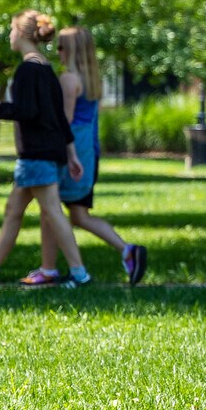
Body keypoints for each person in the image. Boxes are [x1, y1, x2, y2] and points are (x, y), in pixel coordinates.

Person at [0, 10, 90, 287]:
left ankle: (80, 274)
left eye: (11, 30)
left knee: (52, 211)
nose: (9, 36)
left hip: (36, 155)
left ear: (20, 33)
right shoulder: (46, 69)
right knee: (13, 210)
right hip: (47, 153)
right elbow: (58, 117)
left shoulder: (27, 70)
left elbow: (26, 112)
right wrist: (71, 153)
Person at [28, 26, 148, 287]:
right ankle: (128, 251)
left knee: (50, 209)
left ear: (72, 51)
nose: (57, 51)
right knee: (78, 215)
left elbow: (64, 122)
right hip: (89, 152)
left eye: (61, 46)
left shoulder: (68, 79)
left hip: (73, 152)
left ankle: (48, 269)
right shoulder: (91, 79)